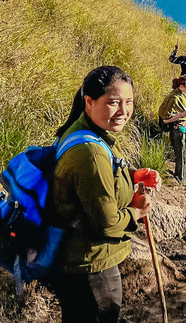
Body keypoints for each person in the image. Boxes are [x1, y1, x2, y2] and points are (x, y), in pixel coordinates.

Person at [51, 65, 157, 323]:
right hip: (91, 266)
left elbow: (92, 183)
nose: (124, 112)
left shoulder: (80, 133)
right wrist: (137, 211)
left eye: (129, 102)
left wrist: (131, 175)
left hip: (77, 262)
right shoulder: (90, 151)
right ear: (89, 101)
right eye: (113, 103)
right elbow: (106, 224)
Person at [159, 75, 186, 184]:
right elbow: (165, 119)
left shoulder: (182, 95)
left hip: (184, 129)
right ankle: (180, 182)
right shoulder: (173, 98)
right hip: (178, 130)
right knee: (181, 157)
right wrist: (181, 115)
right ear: (182, 85)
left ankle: (183, 181)